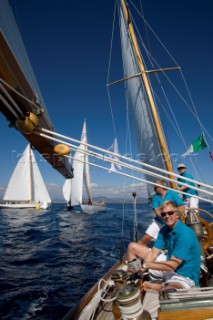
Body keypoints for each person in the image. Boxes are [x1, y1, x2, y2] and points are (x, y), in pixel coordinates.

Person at [128, 200, 200, 291]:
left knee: (171, 291)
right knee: (132, 246)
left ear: (177, 214)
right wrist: (140, 271)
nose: (167, 216)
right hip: (168, 262)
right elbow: (153, 253)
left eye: (170, 213)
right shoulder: (164, 230)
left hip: (184, 273)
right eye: (164, 214)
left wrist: (146, 265)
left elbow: (172, 265)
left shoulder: (185, 234)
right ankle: (136, 279)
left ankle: (156, 286)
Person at [138, 179, 185, 245]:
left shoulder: (172, 193)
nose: (154, 189)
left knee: (178, 241)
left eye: (155, 188)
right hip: (159, 222)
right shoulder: (155, 197)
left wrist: (175, 217)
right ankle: (136, 250)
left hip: (174, 221)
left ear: (160, 187)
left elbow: (181, 206)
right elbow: (156, 211)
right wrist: (165, 218)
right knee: (145, 238)